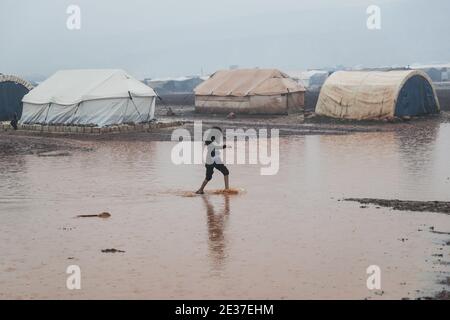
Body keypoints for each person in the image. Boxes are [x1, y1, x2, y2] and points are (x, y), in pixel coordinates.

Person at [196, 127, 230, 194]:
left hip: (215, 159)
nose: (220, 134)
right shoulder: (211, 140)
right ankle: (200, 190)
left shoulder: (213, 139)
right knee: (209, 177)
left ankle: (226, 189)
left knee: (225, 172)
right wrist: (223, 147)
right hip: (212, 160)